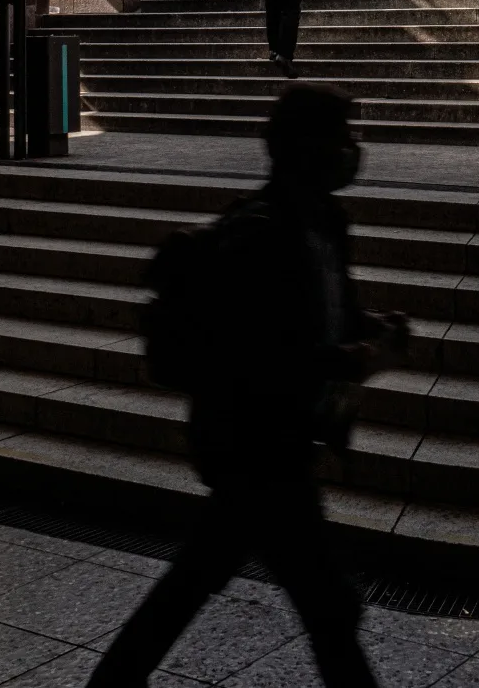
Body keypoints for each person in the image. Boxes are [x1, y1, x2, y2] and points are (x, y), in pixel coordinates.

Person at [88, 86, 403, 688]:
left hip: (269, 439)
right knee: (328, 605)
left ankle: (113, 683)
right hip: (253, 440)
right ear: (303, 149)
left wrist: (372, 328)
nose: (352, 150)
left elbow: (328, 310)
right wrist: (348, 359)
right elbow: (267, 352)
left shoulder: (325, 222)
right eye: (340, 137)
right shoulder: (263, 235)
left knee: (200, 578)